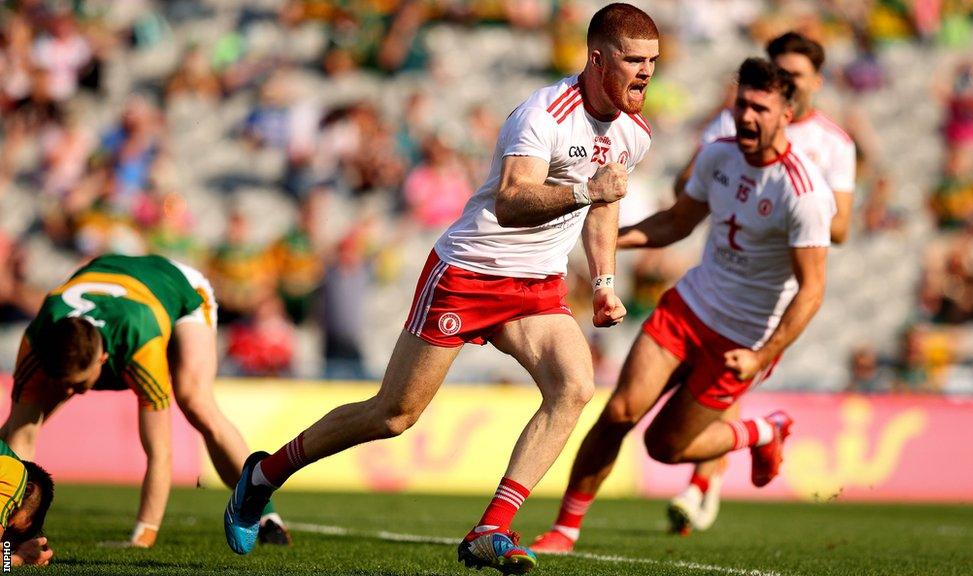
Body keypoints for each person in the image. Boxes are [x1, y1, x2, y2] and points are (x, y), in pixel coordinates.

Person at [223, 3, 658, 574]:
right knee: (394, 415)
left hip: (536, 286)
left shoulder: (634, 133)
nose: (647, 73)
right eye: (634, 60)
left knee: (574, 387)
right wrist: (585, 192)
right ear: (598, 58)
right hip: (470, 272)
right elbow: (510, 201)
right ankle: (263, 476)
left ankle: (490, 528)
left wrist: (602, 280)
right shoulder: (543, 114)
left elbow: (605, 202)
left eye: (653, 61)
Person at [531, 57, 833, 553]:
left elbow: (812, 289)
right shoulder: (718, 156)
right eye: (742, 105)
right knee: (620, 412)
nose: (748, 117)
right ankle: (565, 530)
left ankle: (763, 430)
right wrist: (604, 241)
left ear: (786, 114)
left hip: (743, 339)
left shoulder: (802, 192)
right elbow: (675, 223)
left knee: (665, 448)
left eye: (761, 108)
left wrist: (762, 355)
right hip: (688, 309)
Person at [666, 32, 856, 534]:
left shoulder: (832, 145)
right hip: (714, 276)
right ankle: (704, 481)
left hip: (770, 292)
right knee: (697, 391)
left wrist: (795, 190)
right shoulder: (732, 122)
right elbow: (685, 186)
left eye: (794, 74)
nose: (785, 80)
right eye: (779, 71)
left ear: (814, 82)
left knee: (724, 387)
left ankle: (701, 485)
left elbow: (840, 228)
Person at [0, 254, 291, 548]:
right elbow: (19, 438)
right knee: (18, 427)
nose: (73, 392)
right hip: (116, 282)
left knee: (196, 402)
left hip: (177, 289)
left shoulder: (141, 343)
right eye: (63, 383)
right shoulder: (37, 342)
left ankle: (267, 516)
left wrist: (144, 535)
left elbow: (160, 452)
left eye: (79, 384)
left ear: (103, 359)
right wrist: (10, 534)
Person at [0, 438, 55, 567]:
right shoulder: (15, 475)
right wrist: (19, 558)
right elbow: (5, 566)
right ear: (29, 489)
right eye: (10, 527)